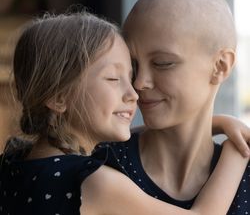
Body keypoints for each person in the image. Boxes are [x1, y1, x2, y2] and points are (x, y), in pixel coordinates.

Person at [0, 12, 248, 215]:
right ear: (58, 97)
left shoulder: (16, 161)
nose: (135, 92)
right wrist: (237, 151)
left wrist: (216, 124)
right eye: (113, 78)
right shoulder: (94, 183)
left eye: (129, 77)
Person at [84, 0, 250, 215]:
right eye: (133, 65)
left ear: (220, 66)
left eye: (163, 63)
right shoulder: (95, 165)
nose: (139, 83)